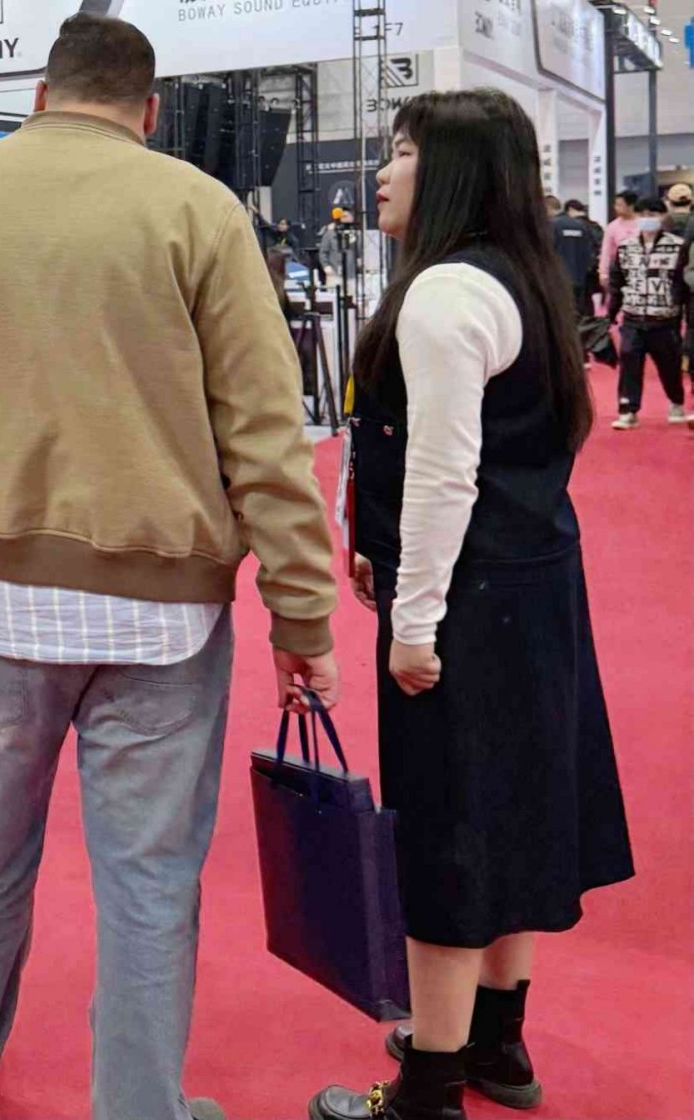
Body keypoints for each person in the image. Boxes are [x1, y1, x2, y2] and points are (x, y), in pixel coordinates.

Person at [0, 15, 339, 1120]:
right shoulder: (199, 210)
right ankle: (137, 1106)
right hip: (161, 616)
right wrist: (301, 618)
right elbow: (267, 433)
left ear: (38, 96)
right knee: (150, 884)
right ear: (148, 111)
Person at [309, 88, 633, 1120]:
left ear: (451, 172)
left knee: (448, 829)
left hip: (468, 604)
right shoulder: (522, 278)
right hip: (534, 585)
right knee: (516, 812)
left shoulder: (446, 293)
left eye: (403, 152)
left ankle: (429, 1086)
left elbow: (444, 475)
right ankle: (496, 1039)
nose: (382, 173)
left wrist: (413, 625)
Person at [607, 196, 689, 429]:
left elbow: (683, 283)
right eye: (642, 215)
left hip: (665, 318)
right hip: (633, 316)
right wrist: (611, 313)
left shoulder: (677, 246)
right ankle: (628, 410)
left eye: (652, 215)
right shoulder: (626, 247)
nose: (647, 219)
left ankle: (676, 402)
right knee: (629, 361)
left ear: (663, 217)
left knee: (669, 364)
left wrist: (682, 309)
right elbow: (617, 281)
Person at [550, 197, 599, 316]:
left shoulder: (551, 225)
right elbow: (591, 251)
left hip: (557, 280)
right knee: (578, 314)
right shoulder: (581, 225)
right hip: (580, 279)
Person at [598, 190, 638, 294]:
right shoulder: (612, 227)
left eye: (620, 205)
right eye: (616, 205)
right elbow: (606, 252)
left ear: (631, 206)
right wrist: (603, 273)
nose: (616, 208)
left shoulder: (643, 223)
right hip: (619, 271)